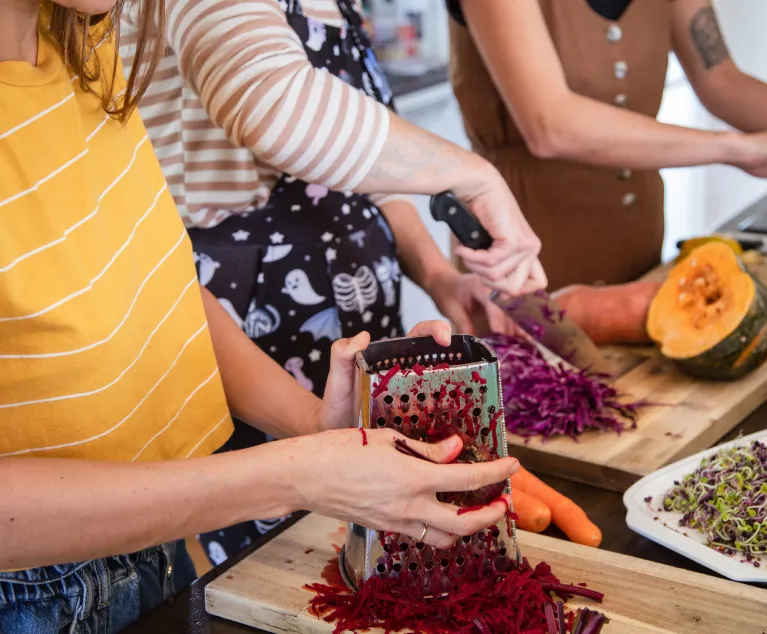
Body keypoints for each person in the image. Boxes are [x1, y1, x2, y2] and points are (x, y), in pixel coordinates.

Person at [0, 2, 517, 632]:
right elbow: (271, 96)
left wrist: (316, 427)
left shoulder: (83, 40)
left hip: (149, 547)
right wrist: (295, 477)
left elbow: (160, 285)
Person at [118, 0, 533, 563]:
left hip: (354, 333)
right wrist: (477, 176)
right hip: (247, 335)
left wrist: (439, 276)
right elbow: (271, 102)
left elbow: (372, 172)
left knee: (380, 533)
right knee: (279, 560)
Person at [446, 0, 767, 291]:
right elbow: (550, 124)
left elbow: (721, 79)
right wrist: (737, 149)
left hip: (640, 254)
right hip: (520, 262)